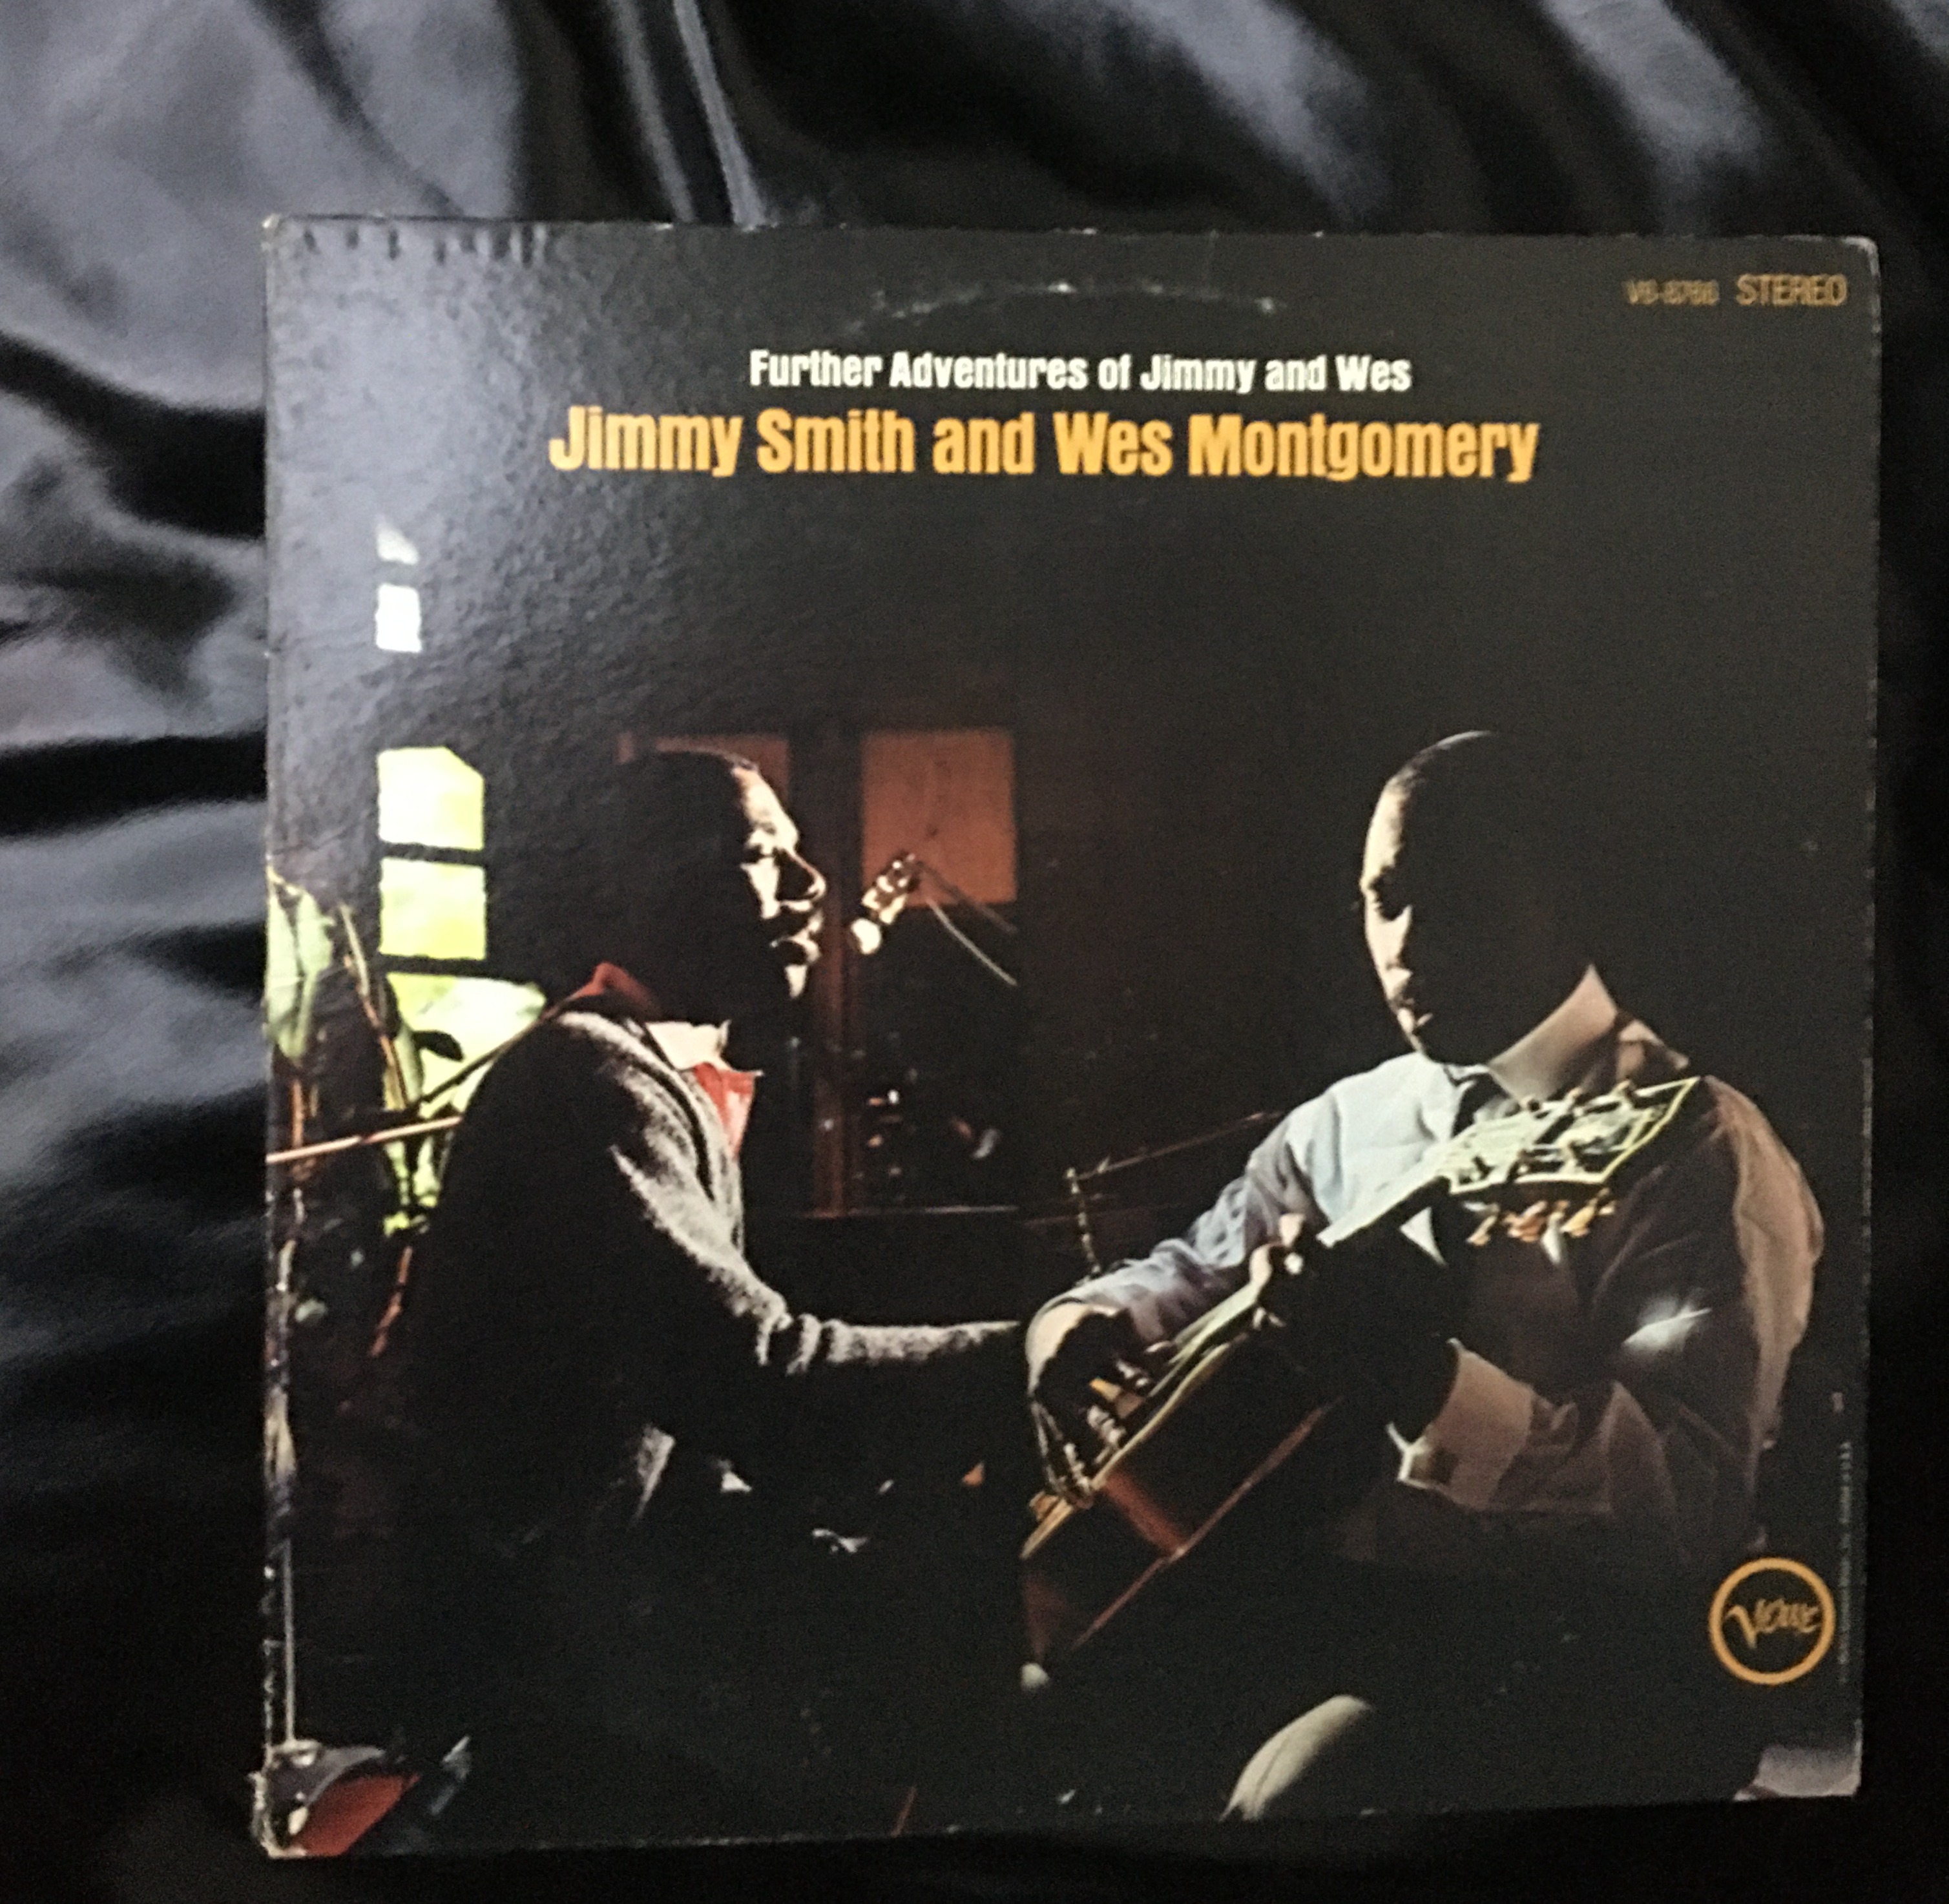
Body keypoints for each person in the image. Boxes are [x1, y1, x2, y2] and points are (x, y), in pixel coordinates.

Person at [1027, 731, 1821, 1819]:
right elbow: (1190, 1274)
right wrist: (1075, 1322)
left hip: (1590, 1641)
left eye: (1458, 899)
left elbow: (1685, 1509)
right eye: (1384, 900)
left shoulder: (1697, 1144)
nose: (1405, 944)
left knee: (1299, 1800)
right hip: (1336, 1600)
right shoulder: (1347, 1122)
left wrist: (1425, 1385)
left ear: (1565, 895)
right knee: (1022, 1710)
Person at [401, 748, 1025, 1841]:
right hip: (568, 1679)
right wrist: (1031, 1354)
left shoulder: (643, 1066)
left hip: (600, 1634)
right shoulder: (590, 1078)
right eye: (761, 853)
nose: (811, 885)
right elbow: (745, 1372)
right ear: (642, 885)